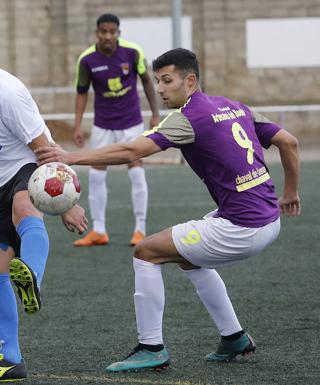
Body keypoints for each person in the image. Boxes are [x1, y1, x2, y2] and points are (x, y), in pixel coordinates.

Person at [36, 48, 300, 372]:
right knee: (188, 259)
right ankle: (234, 337)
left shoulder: (187, 118)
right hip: (268, 219)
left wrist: (72, 157)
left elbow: (132, 150)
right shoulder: (234, 106)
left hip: (242, 227)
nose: (159, 88)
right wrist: (289, 194)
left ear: (190, 81)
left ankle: (151, 347)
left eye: (167, 80)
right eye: (157, 80)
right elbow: (289, 141)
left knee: (146, 251)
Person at [0, 25, 88, 383]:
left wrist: (66, 201)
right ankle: (10, 360)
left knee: (24, 208)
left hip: (34, 163)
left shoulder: (8, 93)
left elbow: (44, 147)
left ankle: (32, 280)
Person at [72, 13, 159, 248]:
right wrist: (78, 124)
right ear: (97, 33)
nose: (108, 36)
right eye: (104, 32)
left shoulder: (133, 52)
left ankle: (140, 229)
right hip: (102, 123)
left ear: (119, 33)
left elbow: (148, 82)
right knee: (97, 170)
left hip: (131, 121)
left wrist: (155, 114)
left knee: (136, 167)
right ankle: (99, 230)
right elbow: (81, 91)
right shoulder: (87, 60)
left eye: (113, 31)